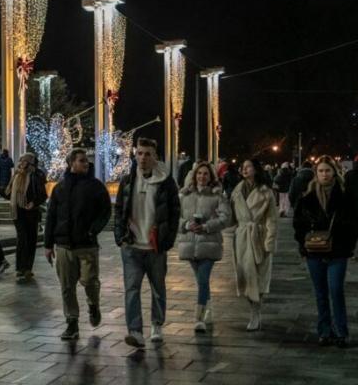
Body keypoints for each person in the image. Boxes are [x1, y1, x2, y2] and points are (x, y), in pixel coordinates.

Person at [114, 138, 181, 347]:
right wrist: (120, 236)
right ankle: (135, 331)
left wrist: (167, 240)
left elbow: (174, 213)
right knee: (131, 289)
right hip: (132, 246)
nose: (143, 158)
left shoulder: (166, 182)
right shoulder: (127, 180)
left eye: (148, 154)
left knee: (158, 287)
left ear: (155, 157)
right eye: (140, 153)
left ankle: (156, 324)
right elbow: (119, 210)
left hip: (155, 246)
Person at [293, 155, 358, 347]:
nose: (324, 174)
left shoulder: (345, 195)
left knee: (336, 290)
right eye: (321, 171)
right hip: (314, 250)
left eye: (327, 170)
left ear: (334, 172)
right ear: (316, 173)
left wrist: (347, 246)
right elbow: (298, 223)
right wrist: (303, 242)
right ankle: (324, 330)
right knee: (320, 292)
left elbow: (354, 224)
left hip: (337, 251)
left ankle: (341, 331)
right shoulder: (307, 196)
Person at [44, 149, 111, 340]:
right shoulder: (60, 188)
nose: (86, 164)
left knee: (90, 281)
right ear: (71, 163)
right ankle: (72, 322)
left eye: (86, 161)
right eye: (82, 161)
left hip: (87, 245)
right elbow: (51, 217)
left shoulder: (95, 186)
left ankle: (93, 304)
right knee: (67, 286)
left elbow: (105, 211)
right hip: (64, 245)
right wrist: (48, 244)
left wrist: (92, 230)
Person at [177, 161, 231, 333]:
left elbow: (226, 218)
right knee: (202, 281)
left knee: (202, 279)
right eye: (199, 173)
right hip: (190, 244)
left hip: (209, 244)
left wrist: (207, 226)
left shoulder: (217, 196)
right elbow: (175, 217)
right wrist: (186, 225)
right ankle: (208, 307)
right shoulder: (184, 196)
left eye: (205, 174)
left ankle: (198, 318)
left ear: (211, 177)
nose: (202, 176)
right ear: (194, 175)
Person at [229, 159, 278, 331]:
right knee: (245, 276)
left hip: (259, 237)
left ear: (256, 169)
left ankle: (256, 312)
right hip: (242, 237)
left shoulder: (266, 192)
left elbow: (272, 218)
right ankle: (253, 309)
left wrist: (269, 242)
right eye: (242, 167)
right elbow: (231, 216)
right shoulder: (237, 190)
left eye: (248, 166)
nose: (244, 169)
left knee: (259, 277)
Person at [5, 153, 47, 283]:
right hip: (18, 211)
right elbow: (9, 193)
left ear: (30, 162)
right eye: (21, 160)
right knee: (22, 238)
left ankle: (28, 268)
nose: (21, 163)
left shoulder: (37, 175)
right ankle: (20, 268)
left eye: (24, 161)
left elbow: (43, 195)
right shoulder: (17, 175)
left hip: (31, 212)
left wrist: (33, 203)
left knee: (31, 239)